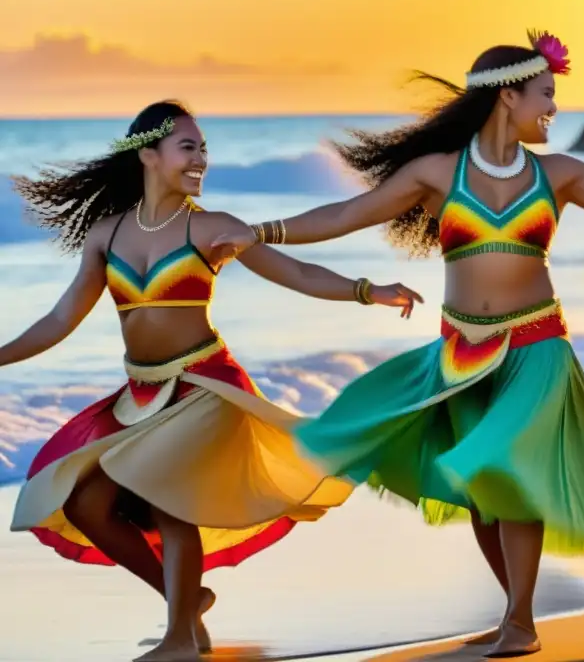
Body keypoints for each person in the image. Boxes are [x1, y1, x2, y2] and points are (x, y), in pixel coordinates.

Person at [209, 30, 584, 656]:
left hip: (537, 348)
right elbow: (344, 216)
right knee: (481, 492)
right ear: (508, 98)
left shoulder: (559, 175)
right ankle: (515, 607)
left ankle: (521, 622)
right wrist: (255, 233)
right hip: (461, 354)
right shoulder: (435, 173)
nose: (554, 108)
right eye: (546, 94)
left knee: (506, 469)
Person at [4, 100, 423, 662]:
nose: (202, 158)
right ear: (148, 155)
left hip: (205, 384)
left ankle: (179, 639)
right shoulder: (106, 235)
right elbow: (59, 320)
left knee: (173, 499)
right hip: (141, 394)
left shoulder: (214, 228)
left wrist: (367, 290)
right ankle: (188, 601)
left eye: (204, 148)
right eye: (189, 147)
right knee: (87, 504)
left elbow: (295, 272)